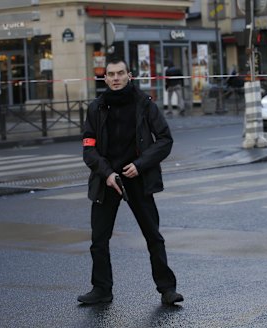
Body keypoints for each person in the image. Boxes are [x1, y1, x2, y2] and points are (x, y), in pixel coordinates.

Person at [79, 58, 183, 306]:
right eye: (111, 74)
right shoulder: (96, 108)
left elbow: (165, 139)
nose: (115, 78)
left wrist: (140, 164)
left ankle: (167, 289)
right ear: (105, 78)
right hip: (107, 181)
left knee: (153, 236)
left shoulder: (144, 104)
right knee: (98, 240)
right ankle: (101, 289)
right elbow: (88, 149)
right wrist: (107, 173)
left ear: (129, 76)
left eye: (120, 73)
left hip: (138, 178)